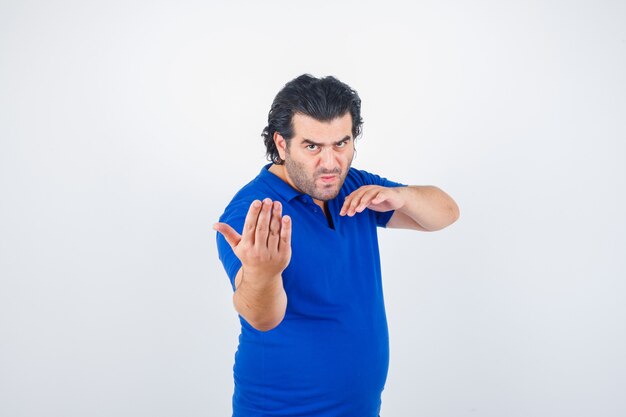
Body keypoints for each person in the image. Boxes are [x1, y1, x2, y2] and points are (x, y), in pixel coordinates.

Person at [214, 74, 459, 417]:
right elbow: (261, 317)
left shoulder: (353, 186)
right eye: (312, 146)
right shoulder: (251, 213)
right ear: (282, 145)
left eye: (341, 144)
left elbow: (446, 214)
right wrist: (263, 273)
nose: (330, 163)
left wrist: (402, 196)